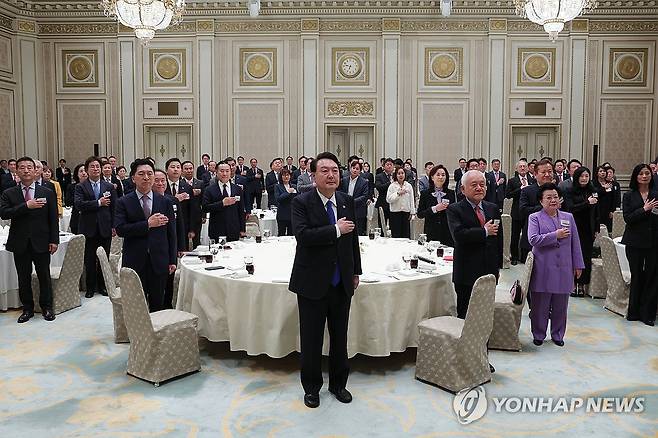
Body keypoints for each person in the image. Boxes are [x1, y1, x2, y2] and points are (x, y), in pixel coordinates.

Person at [288, 151, 362, 409]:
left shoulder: (346, 201)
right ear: (313, 175)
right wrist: (334, 230)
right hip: (311, 282)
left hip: (341, 281)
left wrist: (355, 271)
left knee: (340, 337)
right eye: (324, 171)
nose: (331, 175)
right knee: (311, 339)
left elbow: (353, 239)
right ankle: (311, 388)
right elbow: (303, 236)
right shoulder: (301, 202)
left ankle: (339, 384)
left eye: (334, 170)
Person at [0, 156, 59, 322]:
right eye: (22, 167)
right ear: (17, 171)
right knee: (23, 276)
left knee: (44, 275)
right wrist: (26, 206)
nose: (26, 170)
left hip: (42, 241)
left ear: (35, 170)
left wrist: (54, 240)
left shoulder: (46, 192)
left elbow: (53, 218)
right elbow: (4, 213)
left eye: (29, 167)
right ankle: (27, 308)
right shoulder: (8, 193)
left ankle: (47, 307)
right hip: (20, 242)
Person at [114, 158, 177, 312]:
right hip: (135, 260)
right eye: (141, 174)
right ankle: (137, 335)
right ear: (133, 178)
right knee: (136, 305)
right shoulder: (123, 202)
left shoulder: (165, 202)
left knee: (158, 303)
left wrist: (172, 260)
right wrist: (147, 224)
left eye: (150, 173)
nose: (146, 177)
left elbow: (171, 234)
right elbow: (120, 229)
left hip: (159, 260)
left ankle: (156, 334)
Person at [527, 183, 584, 346]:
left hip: (564, 267)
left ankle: (558, 335)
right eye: (548, 197)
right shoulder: (535, 218)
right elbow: (533, 240)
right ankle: (538, 334)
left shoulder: (568, 217)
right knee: (540, 305)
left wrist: (578, 264)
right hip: (543, 267)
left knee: (561, 305)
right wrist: (555, 235)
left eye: (555, 197)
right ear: (541, 201)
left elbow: (575, 243)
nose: (553, 200)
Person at [447, 170, 503, 319]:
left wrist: (498, 267)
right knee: (465, 313)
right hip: (466, 271)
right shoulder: (455, 209)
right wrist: (484, 232)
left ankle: (484, 342)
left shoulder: (492, 208)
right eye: (474, 185)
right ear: (463, 189)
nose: (479, 188)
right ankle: (464, 343)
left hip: (489, 270)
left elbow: (499, 239)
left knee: (485, 312)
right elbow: (459, 235)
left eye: (482, 184)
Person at [75, 156, 117, 298]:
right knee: (89, 259)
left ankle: (103, 286)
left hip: (105, 227)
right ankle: (90, 287)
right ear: (87, 170)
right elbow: (79, 205)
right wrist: (98, 203)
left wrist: (114, 226)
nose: (95, 169)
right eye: (92, 166)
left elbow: (114, 208)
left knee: (103, 259)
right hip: (88, 228)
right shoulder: (80, 187)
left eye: (97, 166)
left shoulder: (109, 187)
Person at [622, 163, 658, 326]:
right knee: (637, 276)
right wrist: (644, 209)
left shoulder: (656, 194)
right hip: (634, 241)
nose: (644, 176)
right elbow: (628, 218)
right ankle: (634, 312)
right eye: (641, 174)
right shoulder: (629, 195)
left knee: (652, 276)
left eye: (647, 173)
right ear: (636, 177)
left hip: (654, 241)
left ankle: (648, 314)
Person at [153, 170, 185, 309]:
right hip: (156, 247)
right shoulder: (148, 201)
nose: (160, 183)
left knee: (169, 279)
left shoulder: (172, 200)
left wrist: (181, 247)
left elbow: (179, 226)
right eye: (157, 180)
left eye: (163, 181)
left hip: (170, 246)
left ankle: (168, 305)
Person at [569, 166, 598, 297]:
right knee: (573, 256)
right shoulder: (570, 191)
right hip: (574, 228)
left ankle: (582, 284)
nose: (584, 179)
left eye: (587, 176)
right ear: (577, 177)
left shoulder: (593, 191)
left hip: (588, 229)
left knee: (585, 257)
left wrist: (596, 228)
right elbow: (570, 209)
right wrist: (587, 203)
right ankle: (572, 283)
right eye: (582, 176)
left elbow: (596, 212)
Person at [519, 158, 554, 264]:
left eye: (550, 171)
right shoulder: (527, 191)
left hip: (554, 239)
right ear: (535, 174)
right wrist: (544, 207)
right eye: (543, 172)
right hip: (533, 239)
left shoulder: (558, 191)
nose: (547, 175)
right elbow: (523, 210)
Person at [202, 162, 246, 242]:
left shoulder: (237, 189)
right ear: (216, 172)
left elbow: (241, 210)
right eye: (221, 171)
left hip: (233, 229)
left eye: (227, 171)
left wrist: (242, 229)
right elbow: (205, 208)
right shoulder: (209, 189)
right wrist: (222, 203)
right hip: (217, 229)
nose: (224, 174)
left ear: (231, 172)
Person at [417, 165, 455, 246]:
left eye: (443, 175)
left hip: (447, 232)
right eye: (438, 175)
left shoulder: (451, 193)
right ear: (432, 177)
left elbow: (454, 213)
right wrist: (435, 209)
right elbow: (420, 214)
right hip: (431, 231)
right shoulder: (425, 194)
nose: (441, 177)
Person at [505, 159, 535, 265]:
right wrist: (520, 189)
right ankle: (514, 257)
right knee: (515, 236)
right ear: (516, 169)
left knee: (527, 235)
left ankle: (524, 256)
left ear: (527, 168)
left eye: (524, 166)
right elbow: (508, 194)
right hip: (517, 212)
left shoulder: (532, 180)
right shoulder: (512, 181)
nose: (522, 168)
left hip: (528, 212)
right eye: (520, 166)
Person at [164, 158, 194, 250]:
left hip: (182, 225)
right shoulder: (161, 185)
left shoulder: (187, 187)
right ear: (166, 170)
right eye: (172, 167)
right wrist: (175, 199)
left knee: (181, 251)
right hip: (165, 224)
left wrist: (191, 229)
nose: (176, 169)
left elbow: (192, 209)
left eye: (178, 167)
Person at [339, 160, 369, 235]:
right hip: (345, 209)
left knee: (358, 233)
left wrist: (352, 201)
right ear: (350, 168)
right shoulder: (344, 180)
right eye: (353, 168)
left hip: (359, 210)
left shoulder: (364, 182)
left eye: (357, 169)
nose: (355, 170)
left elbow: (364, 196)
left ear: (360, 171)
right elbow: (340, 193)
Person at [386, 166, 415, 238]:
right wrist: (398, 193)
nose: (401, 175)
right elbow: (388, 199)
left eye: (402, 173)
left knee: (406, 235)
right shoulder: (392, 186)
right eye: (399, 173)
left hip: (406, 213)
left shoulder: (408, 186)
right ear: (396, 175)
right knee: (396, 235)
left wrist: (412, 212)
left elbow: (412, 199)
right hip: (395, 213)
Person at [182, 160, 205, 248]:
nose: (189, 171)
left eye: (191, 168)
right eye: (186, 169)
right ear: (182, 170)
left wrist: (203, 215)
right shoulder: (180, 184)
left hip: (196, 216)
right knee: (184, 240)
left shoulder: (200, 183)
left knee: (196, 240)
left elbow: (203, 201)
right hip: (183, 216)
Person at [275, 168, 297, 236]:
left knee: (292, 235)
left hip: (292, 214)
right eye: (284, 175)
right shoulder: (277, 186)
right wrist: (287, 192)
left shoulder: (294, 186)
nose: (286, 177)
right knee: (281, 234)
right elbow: (278, 199)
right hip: (282, 214)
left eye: (288, 175)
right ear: (281, 177)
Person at [593, 165, 615, 233]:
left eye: (604, 171)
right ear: (597, 173)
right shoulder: (593, 183)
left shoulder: (609, 183)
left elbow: (613, 197)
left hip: (607, 209)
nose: (603, 173)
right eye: (600, 171)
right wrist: (603, 188)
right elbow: (594, 194)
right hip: (597, 209)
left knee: (608, 228)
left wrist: (612, 210)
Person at [375, 158, 395, 230]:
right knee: (382, 225)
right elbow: (379, 187)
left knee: (393, 226)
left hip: (393, 204)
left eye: (391, 165)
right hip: (382, 203)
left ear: (393, 166)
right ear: (383, 166)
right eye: (387, 164)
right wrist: (390, 183)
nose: (389, 166)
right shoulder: (379, 176)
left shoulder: (397, 176)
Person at [67, 164, 87, 234]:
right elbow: (68, 201)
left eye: (85, 171)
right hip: (76, 218)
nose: (84, 173)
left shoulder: (93, 186)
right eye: (81, 171)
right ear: (77, 174)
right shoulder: (71, 187)